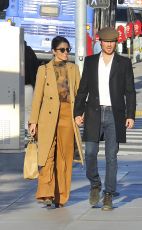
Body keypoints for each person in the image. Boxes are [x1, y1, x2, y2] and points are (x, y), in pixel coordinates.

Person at [74, 27, 136, 211]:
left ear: (116, 42)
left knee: (111, 157)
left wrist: (130, 115)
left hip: (114, 115)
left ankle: (108, 194)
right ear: (100, 41)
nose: (109, 45)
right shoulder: (91, 62)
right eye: (106, 41)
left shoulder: (124, 63)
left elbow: (130, 91)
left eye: (113, 42)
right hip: (93, 112)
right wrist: (78, 112)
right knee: (90, 153)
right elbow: (83, 89)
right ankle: (95, 184)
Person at [28, 36, 83, 208]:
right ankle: (45, 193)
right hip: (47, 118)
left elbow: (79, 94)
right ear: (53, 51)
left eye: (68, 49)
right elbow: (37, 97)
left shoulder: (73, 69)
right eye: (62, 50)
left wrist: (80, 114)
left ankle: (61, 196)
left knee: (65, 157)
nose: (66, 53)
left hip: (68, 116)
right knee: (47, 155)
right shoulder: (43, 70)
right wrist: (33, 122)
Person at [24, 41, 39, 131]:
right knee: (28, 111)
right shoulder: (29, 51)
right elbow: (36, 68)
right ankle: (29, 132)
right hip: (28, 86)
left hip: (13, 86)